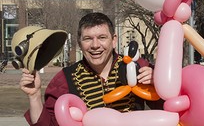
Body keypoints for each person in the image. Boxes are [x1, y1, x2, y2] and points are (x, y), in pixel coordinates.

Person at [20, 12, 162, 125]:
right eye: (88, 39)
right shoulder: (65, 79)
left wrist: (159, 84)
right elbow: (48, 124)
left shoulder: (138, 67)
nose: (95, 45)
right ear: (80, 44)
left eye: (102, 37)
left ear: (113, 41)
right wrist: (34, 96)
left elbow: (170, 110)